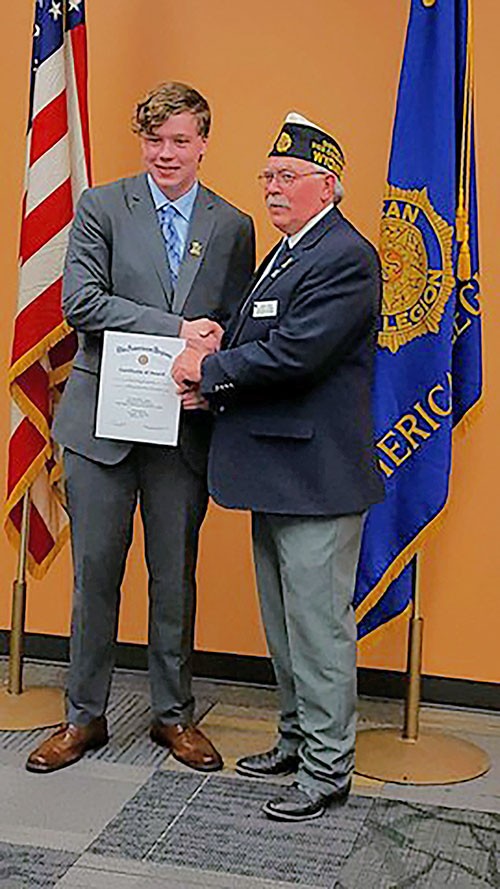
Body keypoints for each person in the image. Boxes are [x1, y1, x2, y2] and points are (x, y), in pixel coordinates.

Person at [26, 82, 255, 774]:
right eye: (154, 140)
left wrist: (213, 372)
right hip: (102, 425)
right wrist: (177, 328)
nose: (166, 153)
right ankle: (83, 715)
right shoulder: (101, 206)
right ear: (143, 143)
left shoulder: (234, 223)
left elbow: (237, 325)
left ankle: (172, 714)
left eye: (179, 140)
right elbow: (79, 302)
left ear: (203, 144)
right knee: (94, 571)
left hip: (183, 427)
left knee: (173, 575)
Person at [172, 112, 384, 820]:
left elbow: (297, 352)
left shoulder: (344, 256)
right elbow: (264, 329)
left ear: (328, 184)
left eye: (286, 177)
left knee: (320, 631)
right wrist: (219, 335)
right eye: (266, 175)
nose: (271, 188)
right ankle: (297, 740)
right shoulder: (291, 250)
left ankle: (328, 769)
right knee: (287, 627)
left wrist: (211, 366)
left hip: (315, 480)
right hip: (277, 472)